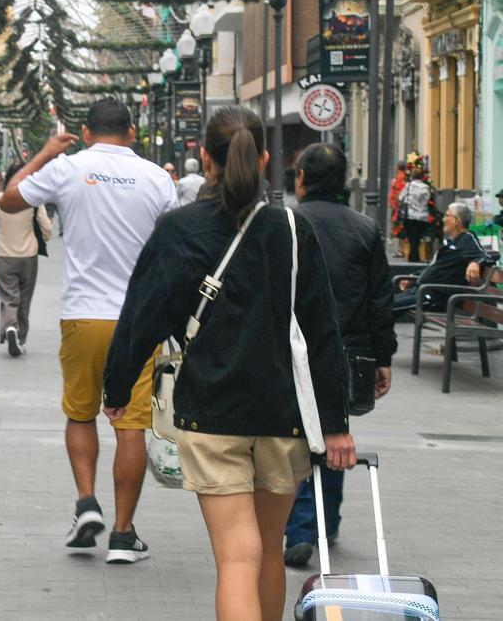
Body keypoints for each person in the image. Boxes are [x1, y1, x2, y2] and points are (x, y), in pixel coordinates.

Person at [102, 106, 356, 620]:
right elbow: (323, 333)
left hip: (212, 413)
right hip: (283, 414)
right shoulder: (291, 229)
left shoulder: (179, 229)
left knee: (236, 556)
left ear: (204, 158)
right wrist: (336, 424)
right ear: (264, 158)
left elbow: (140, 318)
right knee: (266, 548)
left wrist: (117, 388)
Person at [0, 98, 178, 562]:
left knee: (81, 414)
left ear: (85, 129)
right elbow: (174, 244)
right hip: (139, 319)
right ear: (132, 132)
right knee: (132, 425)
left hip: (83, 314)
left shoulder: (68, 168)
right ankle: (123, 534)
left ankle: (85, 504)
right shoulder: (158, 178)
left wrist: (44, 152)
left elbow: (10, 199)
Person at [284, 143, 396, 568]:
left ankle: (299, 527)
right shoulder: (365, 229)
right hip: (348, 352)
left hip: (291, 349)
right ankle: (323, 523)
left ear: (301, 177)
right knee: (334, 430)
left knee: (296, 437)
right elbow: (379, 302)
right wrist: (383, 357)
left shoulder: (286, 223)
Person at [0, 161, 51, 357]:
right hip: (29, 256)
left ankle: (10, 327)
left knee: (9, 295)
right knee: (25, 298)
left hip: (5, 255)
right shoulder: (34, 200)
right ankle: (20, 337)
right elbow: (47, 230)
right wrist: (38, 239)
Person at [394, 202, 495, 318]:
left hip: (434, 296)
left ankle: (381, 335)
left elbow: (489, 255)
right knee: (382, 304)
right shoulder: (450, 242)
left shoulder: (467, 238)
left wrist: (476, 262)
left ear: (456, 221)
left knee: (385, 307)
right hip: (420, 290)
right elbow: (437, 268)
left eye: (447, 215)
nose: (443, 219)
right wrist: (415, 276)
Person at [399, 167, 433, 263]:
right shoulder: (426, 187)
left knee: (411, 237)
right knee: (417, 237)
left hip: (410, 215)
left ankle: (414, 257)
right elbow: (428, 199)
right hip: (422, 216)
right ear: (422, 176)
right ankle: (413, 256)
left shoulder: (408, 186)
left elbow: (401, 197)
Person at [388, 162, 409, 257]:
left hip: (398, 207)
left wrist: (394, 202)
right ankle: (402, 249)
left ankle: (402, 250)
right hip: (397, 206)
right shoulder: (402, 177)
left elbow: (397, 191)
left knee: (399, 228)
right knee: (399, 228)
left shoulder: (400, 177)